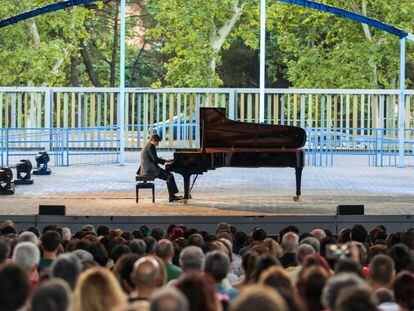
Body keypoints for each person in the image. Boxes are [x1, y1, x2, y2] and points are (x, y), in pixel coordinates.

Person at [140, 134, 181, 202]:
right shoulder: (151, 147)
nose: (158, 144)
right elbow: (155, 159)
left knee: (168, 176)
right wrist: (166, 161)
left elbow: (153, 158)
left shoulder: (147, 145)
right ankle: (172, 197)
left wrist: (164, 160)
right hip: (150, 170)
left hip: (148, 168)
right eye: (157, 142)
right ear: (153, 140)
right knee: (169, 176)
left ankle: (172, 196)